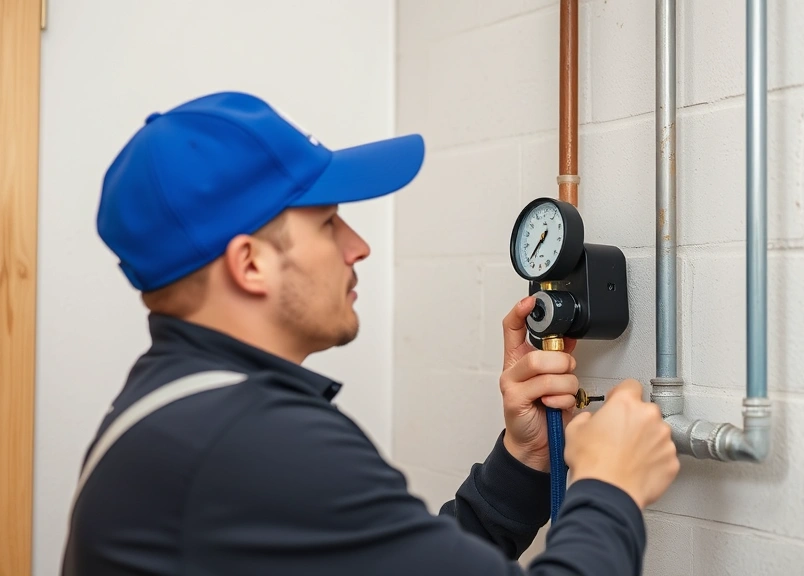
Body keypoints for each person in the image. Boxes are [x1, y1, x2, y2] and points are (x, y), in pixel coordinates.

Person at [61, 91, 681, 575]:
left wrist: (523, 462)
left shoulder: (185, 413)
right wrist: (610, 484)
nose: (357, 246)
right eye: (328, 223)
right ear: (249, 263)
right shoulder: (251, 445)